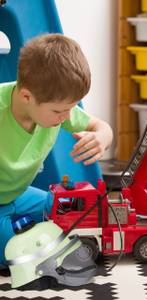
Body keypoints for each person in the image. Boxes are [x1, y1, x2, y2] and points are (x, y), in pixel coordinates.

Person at [0, 33, 113, 267]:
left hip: (17, 195)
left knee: (73, 211)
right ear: (26, 96)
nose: (66, 118)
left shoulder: (58, 107)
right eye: (59, 112)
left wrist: (101, 137)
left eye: (71, 109)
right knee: (16, 254)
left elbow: (101, 126)